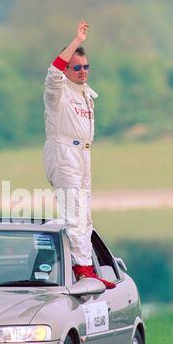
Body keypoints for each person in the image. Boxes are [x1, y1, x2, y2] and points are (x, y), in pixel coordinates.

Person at [43, 18, 116, 289]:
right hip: (64, 153)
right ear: (68, 69)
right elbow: (53, 72)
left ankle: (84, 265)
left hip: (83, 155)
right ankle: (82, 270)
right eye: (77, 67)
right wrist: (76, 42)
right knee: (74, 212)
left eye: (86, 66)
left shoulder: (85, 93)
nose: (83, 71)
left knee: (84, 215)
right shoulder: (58, 93)